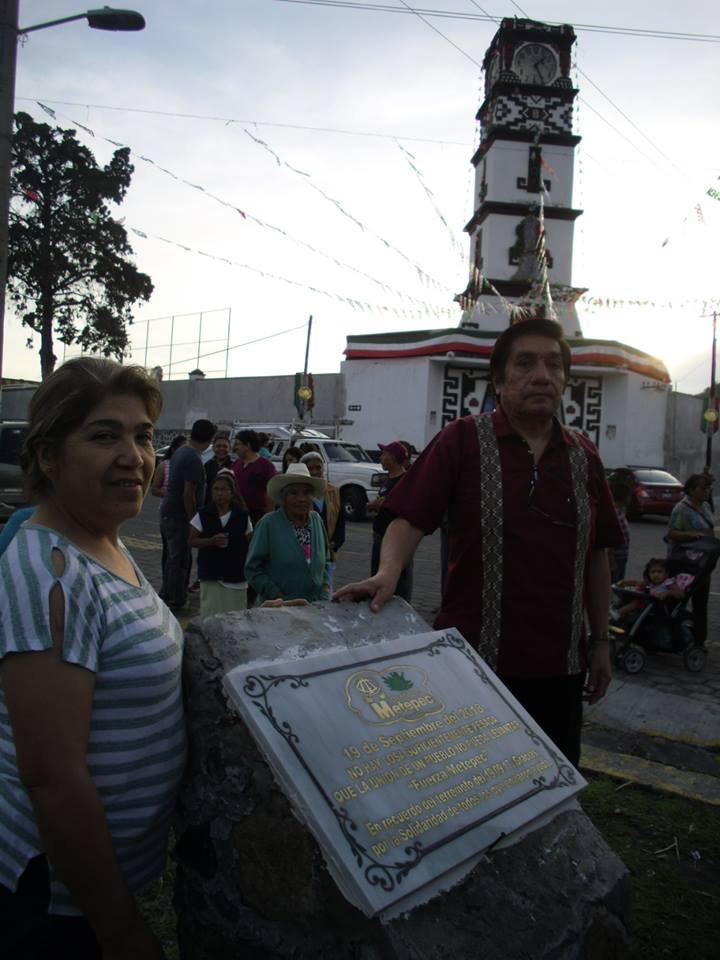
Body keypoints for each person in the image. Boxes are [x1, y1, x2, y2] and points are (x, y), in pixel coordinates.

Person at [336, 317, 623, 767]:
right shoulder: (463, 439)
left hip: (562, 666)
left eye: (553, 365)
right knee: (469, 783)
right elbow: (410, 516)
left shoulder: (584, 456)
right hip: (472, 660)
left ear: (565, 379)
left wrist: (602, 641)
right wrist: (388, 572)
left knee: (550, 782)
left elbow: (598, 554)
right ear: (499, 379)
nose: (542, 376)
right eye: (525, 364)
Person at [0, 357, 185, 958]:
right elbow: (52, 778)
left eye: (143, 435)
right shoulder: (50, 571)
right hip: (54, 904)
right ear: (49, 457)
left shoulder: (105, 542)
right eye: (105, 435)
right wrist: (122, 929)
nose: (133, 455)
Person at [245, 463, 330, 605]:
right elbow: (252, 569)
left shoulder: (316, 520)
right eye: (294, 493)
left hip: (315, 607)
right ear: (283, 497)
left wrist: (325, 589)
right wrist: (275, 594)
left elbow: (326, 560)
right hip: (278, 607)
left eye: (306, 493)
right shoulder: (268, 524)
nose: (301, 499)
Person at [159, 418, 216, 612]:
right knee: (180, 559)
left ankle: (167, 592)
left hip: (168, 513)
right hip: (179, 516)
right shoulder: (193, 458)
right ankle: (176, 599)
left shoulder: (181, 451)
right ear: (210, 439)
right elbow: (188, 493)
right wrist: (194, 520)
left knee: (171, 557)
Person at [189, 471, 253, 615]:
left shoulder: (242, 516)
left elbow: (251, 543)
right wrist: (210, 541)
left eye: (224, 489)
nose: (219, 493)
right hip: (211, 574)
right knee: (211, 613)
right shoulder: (204, 514)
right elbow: (192, 540)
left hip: (235, 575)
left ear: (232, 492)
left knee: (235, 615)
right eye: (216, 489)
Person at [666, 472, 716, 645]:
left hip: (702, 564)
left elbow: (710, 529)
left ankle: (698, 641)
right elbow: (671, 533)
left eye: (709, 488)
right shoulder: (681, 509)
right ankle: (670, 636)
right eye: (703, 488)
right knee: (678, 601)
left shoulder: (707, 507)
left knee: (700, 604)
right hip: (684, 564)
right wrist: (691, 535)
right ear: (692, 490)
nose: (707, 492)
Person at [366, 441, 413, 602]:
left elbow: (407, 507)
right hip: (380, 536)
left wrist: (382, 504)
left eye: (384, 454)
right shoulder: (389, 478)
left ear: (392, 458)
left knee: (397, 581)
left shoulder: (405, 480)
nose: (380, 458)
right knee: (377, 577)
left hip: (396, 542)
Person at [301, 451, 345, 591]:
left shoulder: (334, 491)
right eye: (310, 468)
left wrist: (335, 543)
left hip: (327, 552)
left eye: (318, 467)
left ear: (323, 468)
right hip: (304, 553)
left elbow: (340, 520)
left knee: (325, 591)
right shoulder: (299, 493)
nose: (314, 471)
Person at [613, 557, 694, 623]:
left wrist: (667, 593)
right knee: (629, 592)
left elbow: (681, 594)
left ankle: (618, 613)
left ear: (666, 574)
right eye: (653, 572)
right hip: (649, 602)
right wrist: (625, 583)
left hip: (658, 607)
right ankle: (618, 612)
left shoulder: (668, 583)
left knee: (637, 602)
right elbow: (637, 583)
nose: (656, 575)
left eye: (659, 572)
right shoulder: (651, 583)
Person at [231, 429, 277, 527]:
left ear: (247, 445)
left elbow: (271, 492)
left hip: (258, 516)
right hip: (237, 515)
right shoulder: (236, 464)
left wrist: (269, 518)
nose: (236, 448)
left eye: (238, 444)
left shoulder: (266, 466)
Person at [150, 434, 187, 499]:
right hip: (168, 507)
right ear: (173, 450)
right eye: (182, 450)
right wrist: (169, 493)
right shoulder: (164, 465)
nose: (185, 453)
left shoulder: (189, 465)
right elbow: (154, 489)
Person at [203, 434, 233, 503]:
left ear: (229, 448)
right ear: (213, 448)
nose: (221, 449)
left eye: (225, 446)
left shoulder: (234, 466)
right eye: (218, 446)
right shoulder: (206, 466)